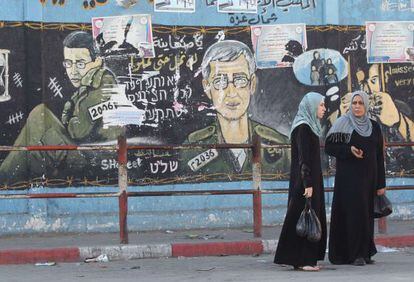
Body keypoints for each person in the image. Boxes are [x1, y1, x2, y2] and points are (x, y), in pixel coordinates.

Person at [0, 31, 122, 183]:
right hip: (85, 154)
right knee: (37, 144)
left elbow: (77, 131)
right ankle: (15, 183)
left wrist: (68, 116)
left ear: (97, 61)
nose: (73, 71)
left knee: (40, 116)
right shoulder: (89, 85)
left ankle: (5, 180)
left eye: (80, 63)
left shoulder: (104, 84)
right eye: (68, 63)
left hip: (95, 160)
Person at [182, 40, 290, 175]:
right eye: (220, 82)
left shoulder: (281, 146)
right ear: (207, 87)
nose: (231, 92)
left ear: (252, 85)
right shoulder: (193, 147)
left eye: (240, 80)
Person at [325, 91, 386, 266]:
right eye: (354, 103)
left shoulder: (374, 126)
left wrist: (381, 183)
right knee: (353, 215)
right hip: (349, 180)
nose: (357, 106)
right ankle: (353, 254)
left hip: (369, 179)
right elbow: (330, 147)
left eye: (360, 103)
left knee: (366, 215)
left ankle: (366, 252)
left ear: (366, 105)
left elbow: (378, 156)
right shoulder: (343, 123)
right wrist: (348, 150)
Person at [274, 92, 327, 271]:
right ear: (311, 107)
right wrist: (308, 184)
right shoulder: (303, 128)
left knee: (301, 217)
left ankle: (297, 258)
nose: (324, 109)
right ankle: (305, 260)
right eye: (321, 105)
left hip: (307, 180)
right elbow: (304, 159)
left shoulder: (307, 126)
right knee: (307, 217)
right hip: (306, 181)